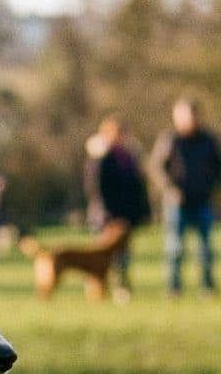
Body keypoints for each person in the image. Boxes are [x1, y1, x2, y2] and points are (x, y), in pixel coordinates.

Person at [149, 98, 220, 295]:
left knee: (205, 248)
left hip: (203, 200)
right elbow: (156, 167)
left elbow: (217, 166)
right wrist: (169, 189)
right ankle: (173, 287)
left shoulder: (208, 140)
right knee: (175, 248)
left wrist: (213, 188)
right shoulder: (170, 139)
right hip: (177, 203)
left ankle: (207, 286)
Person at [83, 115, 150, 299]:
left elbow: (138, 186)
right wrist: (106, 212)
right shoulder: (100, 157)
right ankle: (96, 291)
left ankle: (122, 288)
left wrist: (142, 211)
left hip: (125, 214)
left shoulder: (129, 157)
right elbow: (95, 187)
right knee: (99, 258)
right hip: (106, 215)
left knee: (122, 257)